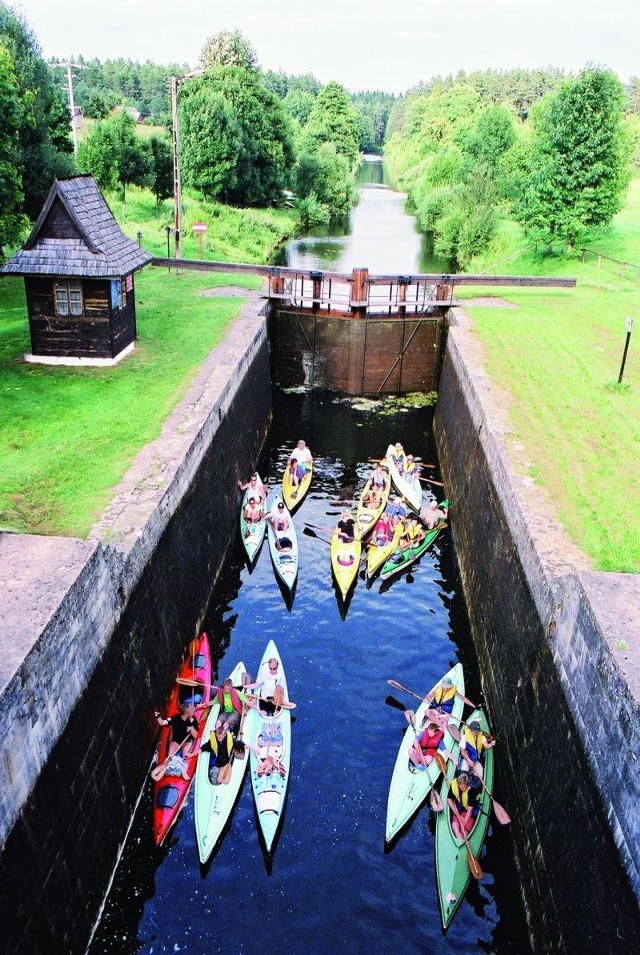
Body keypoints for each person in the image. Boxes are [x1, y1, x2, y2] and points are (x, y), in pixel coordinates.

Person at [151, 702, 199, 780]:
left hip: (187, 740)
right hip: (176, 740)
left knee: (185, 753)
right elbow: (162, 722)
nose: (193, 710)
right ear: (187, 713)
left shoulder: (192, 719)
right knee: (170, 754)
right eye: (191, 710)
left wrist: (191, 726)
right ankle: (163, 769)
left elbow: (196, 736)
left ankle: (183, 769)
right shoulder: (175, 718)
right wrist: (158, 717)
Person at [448, 772, 479, 839]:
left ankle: (463, 840)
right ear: (458, 784)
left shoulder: (471, 791)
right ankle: (459, 839)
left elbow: (470, 811)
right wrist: (458, 815)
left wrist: (464, 822)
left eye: (465, 785)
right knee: (454, 826)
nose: (464, 788)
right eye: (462, 787)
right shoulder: (454, 785)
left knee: (464, 832)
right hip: (460, 812)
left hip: (469, 815)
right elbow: (449, 800)